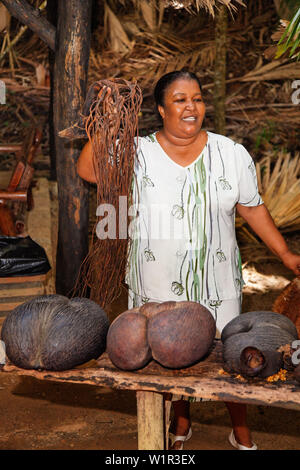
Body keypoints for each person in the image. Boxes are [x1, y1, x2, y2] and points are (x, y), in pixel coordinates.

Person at [77, 70, 300, 450]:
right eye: (180, 99)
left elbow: (253, 208)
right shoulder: (137, 151)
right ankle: (180, 423)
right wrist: (107, 125)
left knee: (234, 355)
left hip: (216, 281)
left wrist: (286, 254)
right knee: (168, 354)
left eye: (196, 98)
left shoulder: (230, 154)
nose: (190, 106)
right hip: (154, 278)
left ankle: (240, 429)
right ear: (162, 110)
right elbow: (87, 170)